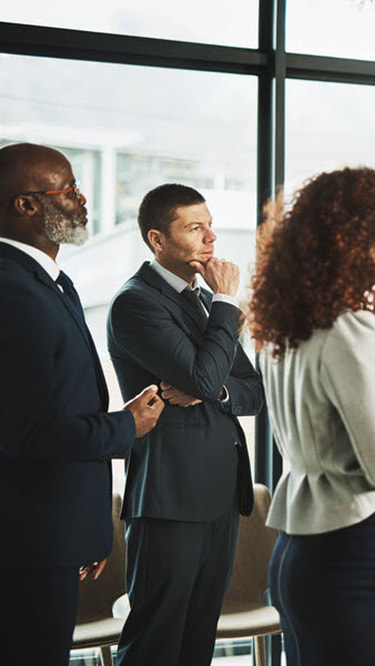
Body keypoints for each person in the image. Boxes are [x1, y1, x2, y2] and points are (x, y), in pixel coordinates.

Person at [249, 167, 375, 666]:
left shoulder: (285, 330)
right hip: (355, 559)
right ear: (357, 240)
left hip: (302, 553)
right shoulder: (351, 328)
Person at [0, 143, 163, 665]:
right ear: (26, 205)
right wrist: (126, 426)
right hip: (25, 545)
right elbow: (25, 432)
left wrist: (85, 531)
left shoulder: (49, 282)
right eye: (67, 190)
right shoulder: (11, 290)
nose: (82, 199)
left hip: (51, 535)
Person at [106, 184, 264, 666]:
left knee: (197, 639)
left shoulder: (201, 302)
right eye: (195, 228)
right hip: (169, 497)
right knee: (156, 641)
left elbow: (251, 391)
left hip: (217, 495)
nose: (211, 238)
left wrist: (213, 390)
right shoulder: (136, 303)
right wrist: (226, 304)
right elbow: (202, 372)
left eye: (210, 225)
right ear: (157, 239)